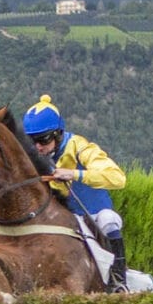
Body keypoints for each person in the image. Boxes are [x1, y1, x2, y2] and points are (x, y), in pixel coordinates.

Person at [20, 94, 131, 292]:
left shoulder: (80, 147)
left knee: (110, 220)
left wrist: (74, 174)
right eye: (32, 141)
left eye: (43, 139)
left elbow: (117, 178)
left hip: (92, 215)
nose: (38, 147)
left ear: (58, 134)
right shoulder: (33, 157)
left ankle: (118, 281)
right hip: (60, 218)